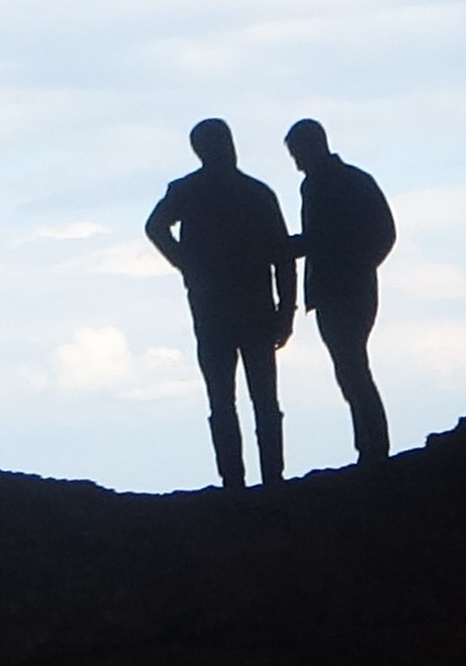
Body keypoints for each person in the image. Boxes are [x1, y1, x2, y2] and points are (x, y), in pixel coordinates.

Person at [144, 119, 295, 489]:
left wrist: (186, 264)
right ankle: (266, 480)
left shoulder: (192, 191)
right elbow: (283, 255)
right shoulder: (254, 192)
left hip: (219, 306)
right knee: (255, 397)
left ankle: (239, 482)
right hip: (248, 304)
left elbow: (155, 227)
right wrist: (285, 310)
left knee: (230, 398)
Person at [284, 119, 397, 463]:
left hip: (337, 288)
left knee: (351, 367)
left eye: (297, 154)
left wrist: (353, 263)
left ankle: (373, 447)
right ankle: (370, 445)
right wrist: (363, 264)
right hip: (351, 285)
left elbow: (320, 238)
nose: (297, 163)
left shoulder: (321, 185)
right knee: (351, 365)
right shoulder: (353, 180)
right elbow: (384, 233)